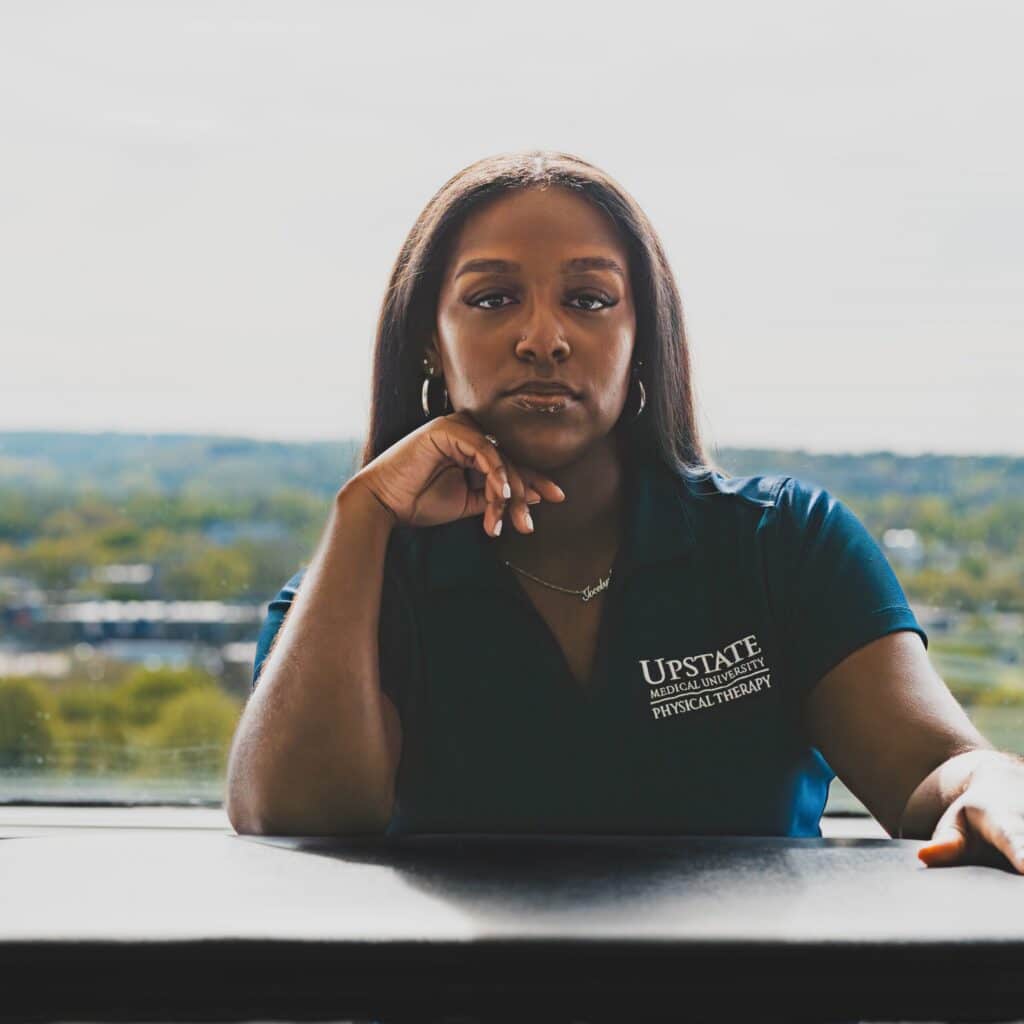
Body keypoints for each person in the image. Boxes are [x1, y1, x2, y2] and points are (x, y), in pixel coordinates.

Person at [227, 150, 1024, 873]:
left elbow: (934, 772)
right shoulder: (359, 587)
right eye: (494, 298)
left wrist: (994, 784)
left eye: (589, 298)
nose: (544, 338)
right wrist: (363, 514)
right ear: (430, 342)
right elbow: (295, 817)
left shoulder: (783, 546)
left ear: (643, 338)